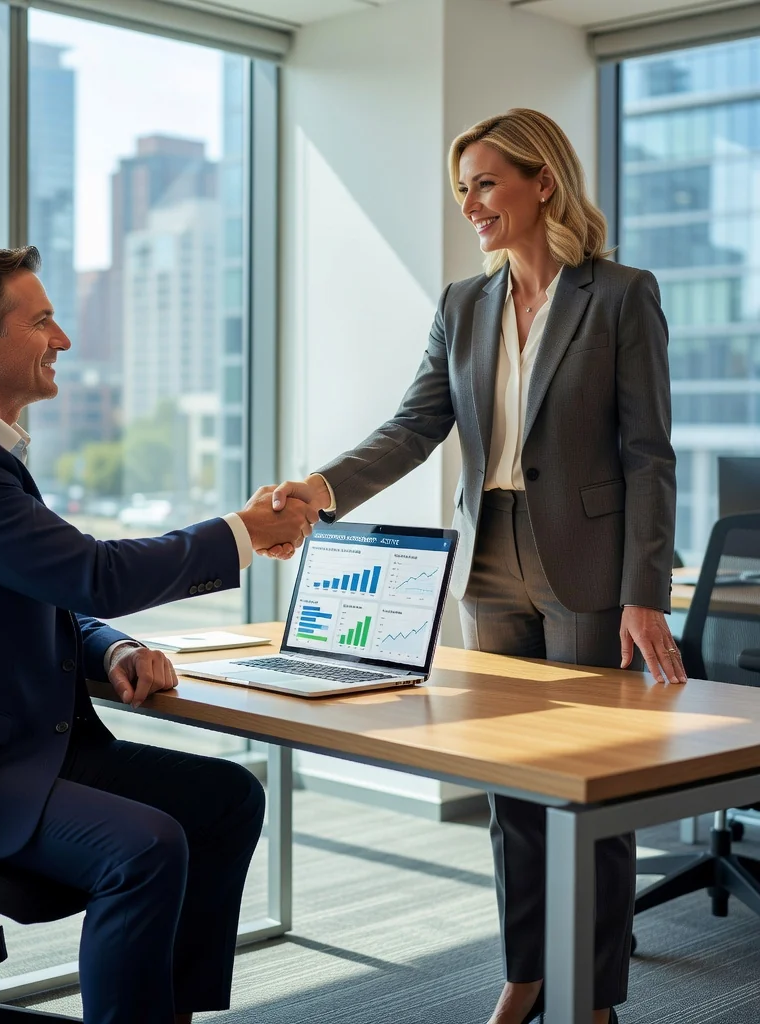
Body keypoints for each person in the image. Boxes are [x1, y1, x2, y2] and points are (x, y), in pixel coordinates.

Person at [265, 108, 684, 1024]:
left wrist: (643, 594)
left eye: (486, 183)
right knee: (514, 787)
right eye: (464, 188)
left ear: (544, 183)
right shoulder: (464, 302)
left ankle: (594, 994)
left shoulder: (619, 295)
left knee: (587, 786)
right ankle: (527, 972)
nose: (471, 203)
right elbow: (416, 426)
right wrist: (319, 489)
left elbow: (649, 453)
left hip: (589, 565)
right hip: (489, 561)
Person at [0, 246, 318, 1024]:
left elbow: (50, 595)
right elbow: (92, 574)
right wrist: (243, 532)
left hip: (15, 747)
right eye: (43, 321)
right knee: (145, 847)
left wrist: (112, 649)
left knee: (226, 798)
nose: (63, 340)